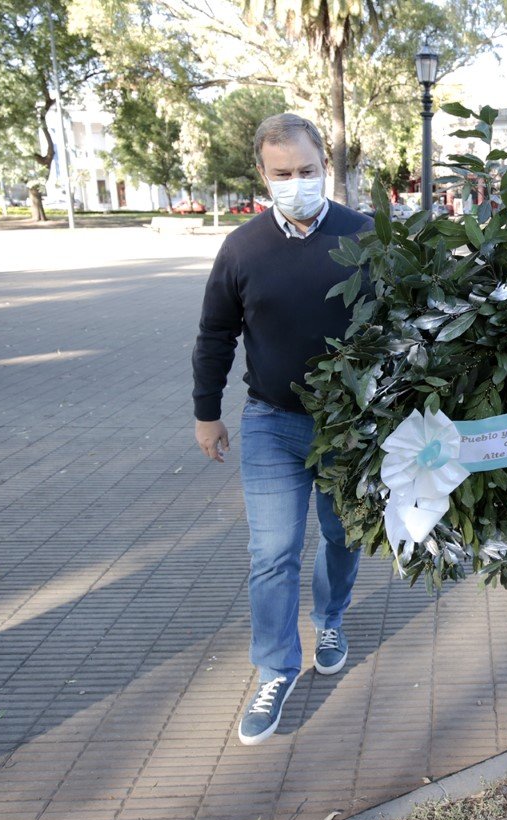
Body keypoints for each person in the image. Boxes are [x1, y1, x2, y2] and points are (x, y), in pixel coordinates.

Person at [191, 113, 372, 746]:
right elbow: (216, 333)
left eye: (308, 170)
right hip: (271, 422)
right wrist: (206, 412)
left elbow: (407, 322)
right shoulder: (242, 248)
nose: (297, 183)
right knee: (271, 553)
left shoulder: (366, 235)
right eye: (283, 174)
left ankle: (330, 619)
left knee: (343, 536)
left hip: (351, 427)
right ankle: (274, 669)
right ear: (263, 175)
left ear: (326, 165)